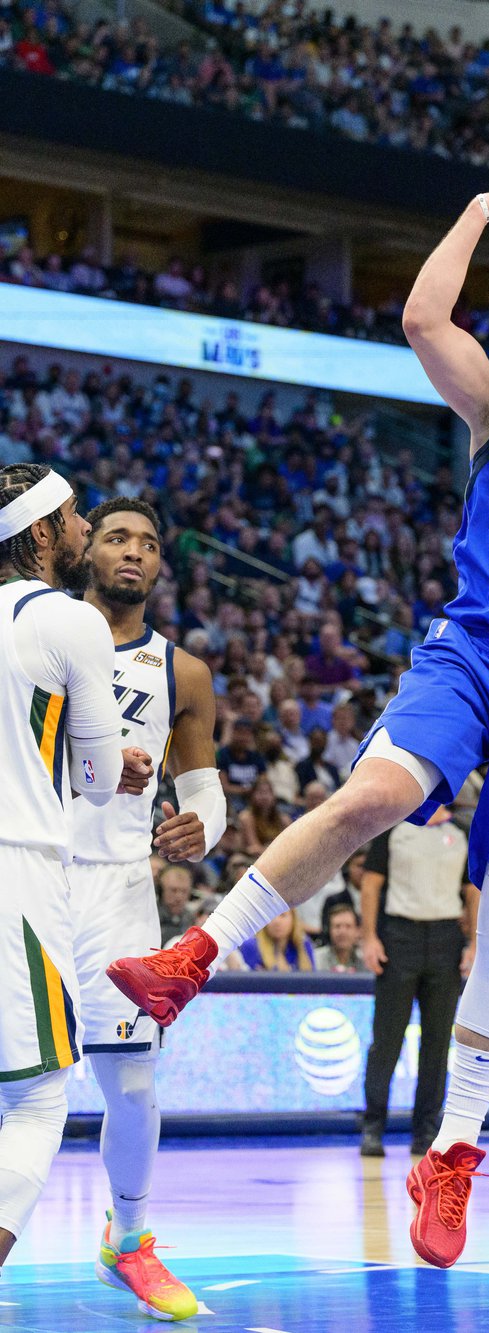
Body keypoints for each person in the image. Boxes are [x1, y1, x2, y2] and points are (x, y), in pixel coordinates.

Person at [108, 190, 489, 1268]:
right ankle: (194, 956)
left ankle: (452, 1151)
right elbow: (423, 321)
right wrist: (473, 211)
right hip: (469, 647)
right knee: (372, 795)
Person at [67, 498, 222, 1321]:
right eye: (118, 536)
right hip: (27, 871)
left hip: (121, 886)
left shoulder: (182, 672)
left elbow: (204, 793)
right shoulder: (34, 634)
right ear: (82, 545)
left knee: (131, 1082)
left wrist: (203, 825)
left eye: (150, 544)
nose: (135, 552)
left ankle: (127, 1241)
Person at [0, 465, 150, 1272]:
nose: (87, 525)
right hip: (17, 868)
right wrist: (107, 759)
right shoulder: (68, 621)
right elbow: (95, 778)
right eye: (73, 515)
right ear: (38, 535)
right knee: (35, 1097)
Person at [359, 809, 477, 1158]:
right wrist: (369, 938)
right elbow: (371, 883)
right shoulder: (393, 828)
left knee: (438, 1042)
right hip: (399, 936)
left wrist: (474, 943)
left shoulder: (461, 831)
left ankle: (426, 1131)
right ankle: (373, 1127)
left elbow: (472, 891)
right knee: (386, 1040)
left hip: (446, 939)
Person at [240, 909, 315, 971]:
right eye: (271, 916)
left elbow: (313, 985)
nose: (276, 921)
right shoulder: (250, 946)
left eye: (283, 915)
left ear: (293, 919)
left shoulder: (304, 945)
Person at [313, 905, 368, 973]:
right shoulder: (316, 958)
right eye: (337, 926)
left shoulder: (366, 960)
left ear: (357, 931)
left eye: (348, 926)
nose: (342, 932)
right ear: (329, 930)